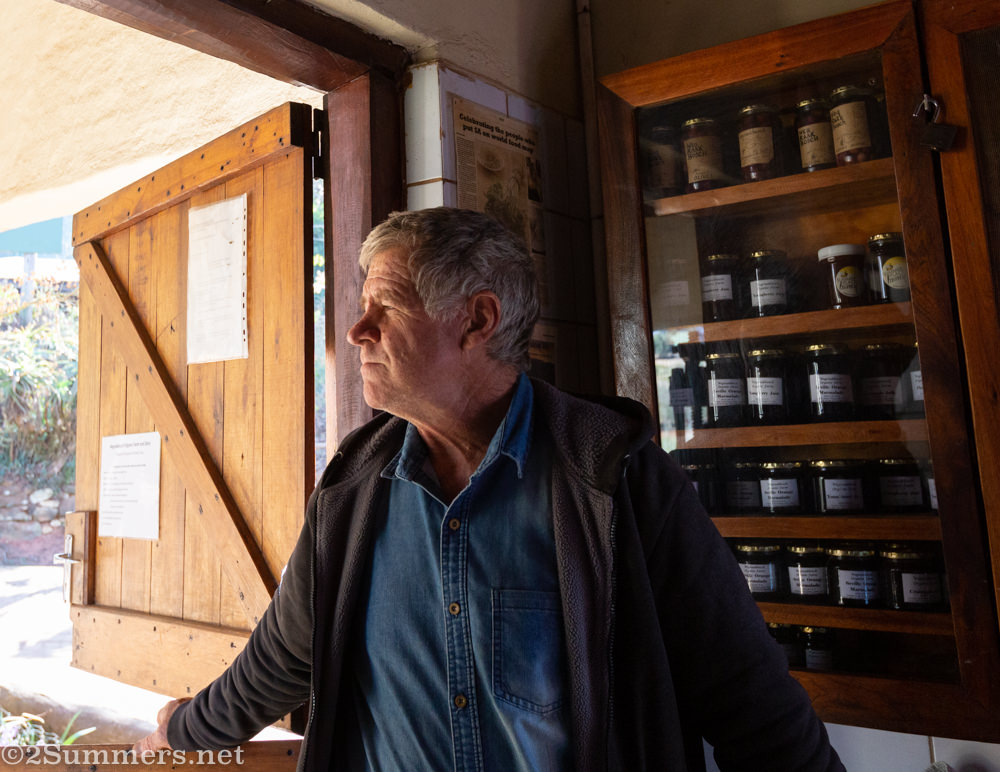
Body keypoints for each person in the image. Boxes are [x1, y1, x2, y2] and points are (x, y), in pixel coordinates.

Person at [134, 207, 844, 771]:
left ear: (477, 320)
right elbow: (281, 661)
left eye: (386, 306)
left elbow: (754, 708)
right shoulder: (351, 491)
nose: (356, 331)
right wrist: (184, 728)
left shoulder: (618, 481)